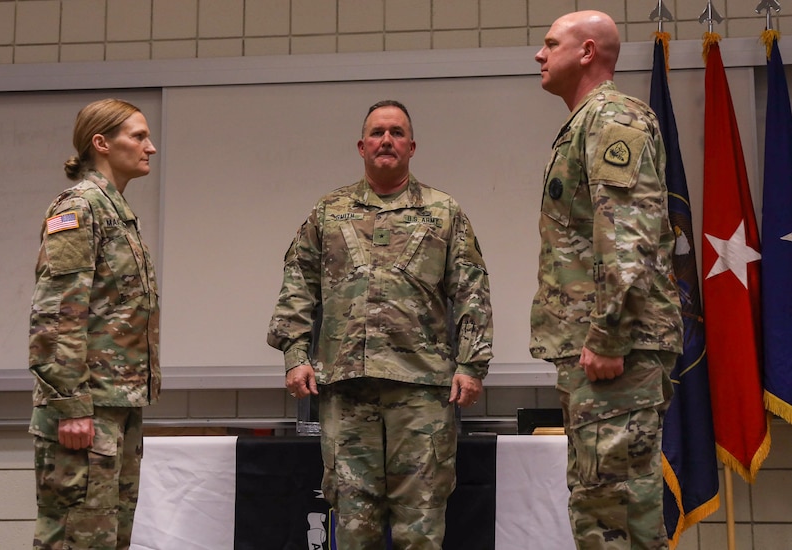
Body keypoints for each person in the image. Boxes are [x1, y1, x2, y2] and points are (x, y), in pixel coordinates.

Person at [267, 99, 493, 549]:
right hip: (347, 389)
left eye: (395, 133)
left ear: (412, 146)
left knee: (422, 523)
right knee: (353, 522)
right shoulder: (328, 212)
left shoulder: (444, 212)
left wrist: (472, 364)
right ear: (361, 146)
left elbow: (471, 290)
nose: (386, 140)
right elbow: (298, 283)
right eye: (376, 133)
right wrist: (295, 355)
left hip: (422, 391)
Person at [530, 11, 683, 550]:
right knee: (608, 509)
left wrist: (609, 335)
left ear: (588, 51)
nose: (539, 54)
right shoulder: (587, 122)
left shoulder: (614, 118)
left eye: (551, 44)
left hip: (617, 353)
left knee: (613, 515)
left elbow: (628, 235)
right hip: (600, 352)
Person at [28, 98, 161, 550]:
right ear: (101, 143)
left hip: (115, 405)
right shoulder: (80, 208)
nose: (151, 147)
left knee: (107, 539)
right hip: (85, 410)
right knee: (74, 539)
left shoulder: (117, 212)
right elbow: (56, 314)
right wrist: (70, 403)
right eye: (139, 136)